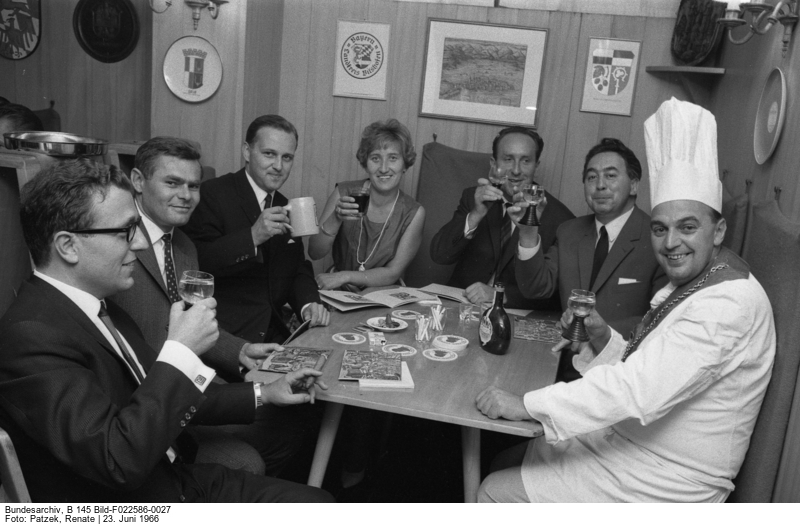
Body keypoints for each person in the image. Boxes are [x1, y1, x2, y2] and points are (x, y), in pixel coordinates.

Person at [475, 98, 776, 503]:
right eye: (661, 228)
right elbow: (646, 364)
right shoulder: (694, 280)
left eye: (688, 227)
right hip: (631, 439)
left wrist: (526, 405)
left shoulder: (728, 304)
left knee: (493, 491)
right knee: (506, 458)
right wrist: (601, 334)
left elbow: (637, 388)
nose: (671, 243)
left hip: (663, 478)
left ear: (718, 229)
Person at [0, 158, 333, 502]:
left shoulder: (102, 307)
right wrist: (180, 351)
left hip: (172, 476)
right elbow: (117, 460)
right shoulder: (30, 335)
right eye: (125, 231)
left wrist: (266, 392)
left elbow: (165, 395)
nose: (141, 244)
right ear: (68, 246)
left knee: (319, 501)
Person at [111, 136, 312, 477]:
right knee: (256, 453)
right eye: (172, 183)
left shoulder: (184, 245)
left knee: (294, 424)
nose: (186, 196)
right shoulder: (117, 243)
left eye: (193, 185)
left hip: (186, 386)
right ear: (138, 182)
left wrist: (242, 349)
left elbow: (187, 322)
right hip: (142, 401)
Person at [183, 115, 329, 344]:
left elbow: (297, 268)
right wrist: (252, 237)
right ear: (247, 152)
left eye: (287, 157)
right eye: (269, 154)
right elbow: (196, 264)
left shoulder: (284, 203)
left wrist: (310, 304)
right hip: (225, 335)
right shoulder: (212, 194)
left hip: (275, 331)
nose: (279, 166)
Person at [514, 138, 667, 338]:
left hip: (622, 360)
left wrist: (599, 335)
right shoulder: (569, 231)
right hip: (565, 356)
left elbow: (660, 318)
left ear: (634, 185)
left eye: (611, 175)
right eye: (592, 177)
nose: (600, 185)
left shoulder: (657, 237)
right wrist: (528, 232)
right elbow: (535, 289)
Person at [430, 126, 574, 309]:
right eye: (508, 159)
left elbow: (554, 291)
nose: (515, 170)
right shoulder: (473, 197)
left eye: (525, 161)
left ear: (536, 166)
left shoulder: (561, 219)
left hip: (514, 315)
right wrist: (476, 214)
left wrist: (501, 296)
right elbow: (440, 255)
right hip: (461, 307)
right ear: (493, 163)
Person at [308, 119, 425, 291]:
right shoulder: (344, 192)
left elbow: (393, 272)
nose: (384, 168)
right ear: (365, 163)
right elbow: (314, 252)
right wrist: (335, 218)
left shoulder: (414, 212)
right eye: (375, 158)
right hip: (339, 291)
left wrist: (344, 276)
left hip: (382, 293)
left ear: (405, 164)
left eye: (393, 158)